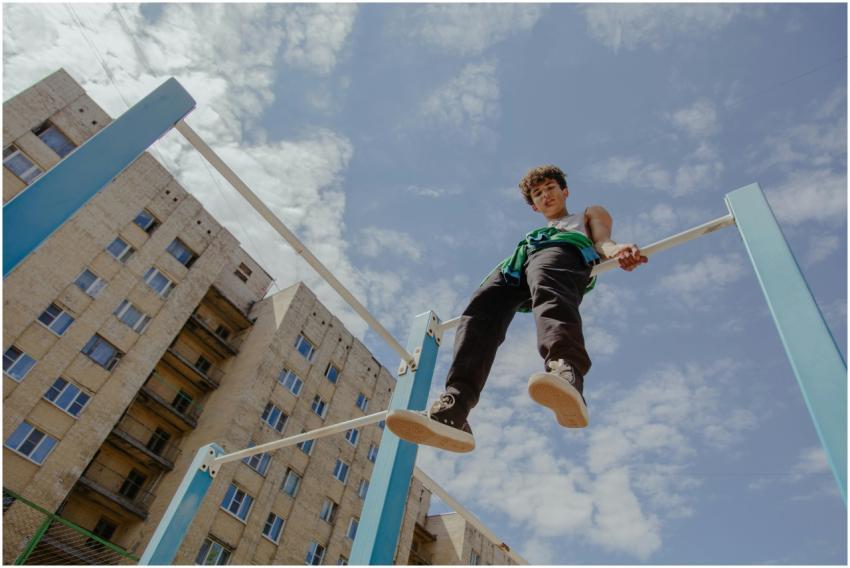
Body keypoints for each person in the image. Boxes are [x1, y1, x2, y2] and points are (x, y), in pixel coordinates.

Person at [386, 165, 647, 453]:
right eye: (538, 193)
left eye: (550, 188)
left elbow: (603, 240)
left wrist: (616, 251)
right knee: (479, 312)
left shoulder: (587, 214)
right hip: (516, 265)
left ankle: (566, 370)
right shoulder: (535, 231)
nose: (545, 195)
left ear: (565, 191)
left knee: (549, 287)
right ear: (534, 206)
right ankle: (454, 409)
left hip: (562, 251)